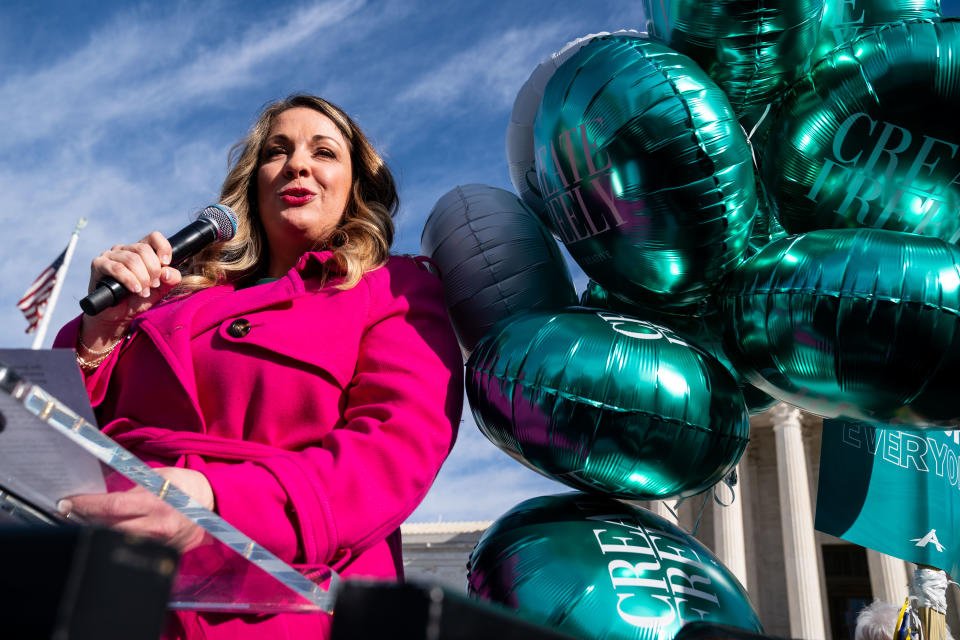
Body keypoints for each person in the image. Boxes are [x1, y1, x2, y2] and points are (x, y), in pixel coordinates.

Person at [53, 94, 463, 638]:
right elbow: (58, 432)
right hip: (108, 586)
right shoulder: (175, 296)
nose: (297, 164)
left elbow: (393, 448)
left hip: (282, 602)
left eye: (324, 152)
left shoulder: (394, 288)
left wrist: (214, 502)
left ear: (355, 188)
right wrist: (99, 335)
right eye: (278, 151)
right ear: (253, 183)